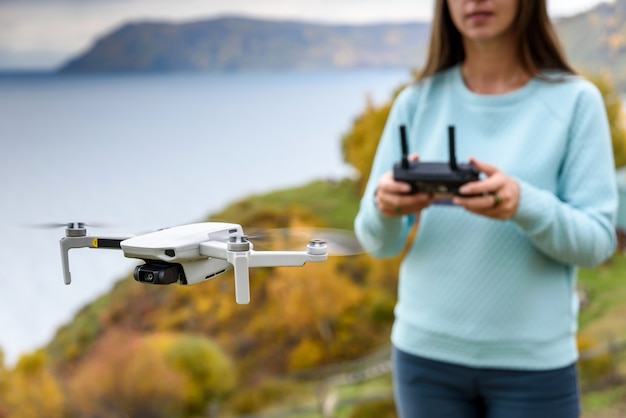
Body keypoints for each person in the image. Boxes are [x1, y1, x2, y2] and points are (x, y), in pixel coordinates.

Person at [353, 0, 618, 417]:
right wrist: (384, 207)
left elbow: (598, 243)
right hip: (425, 359)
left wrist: (521, 203)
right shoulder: (416, 102)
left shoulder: (575, 101)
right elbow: (378, 244)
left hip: (533, 366)